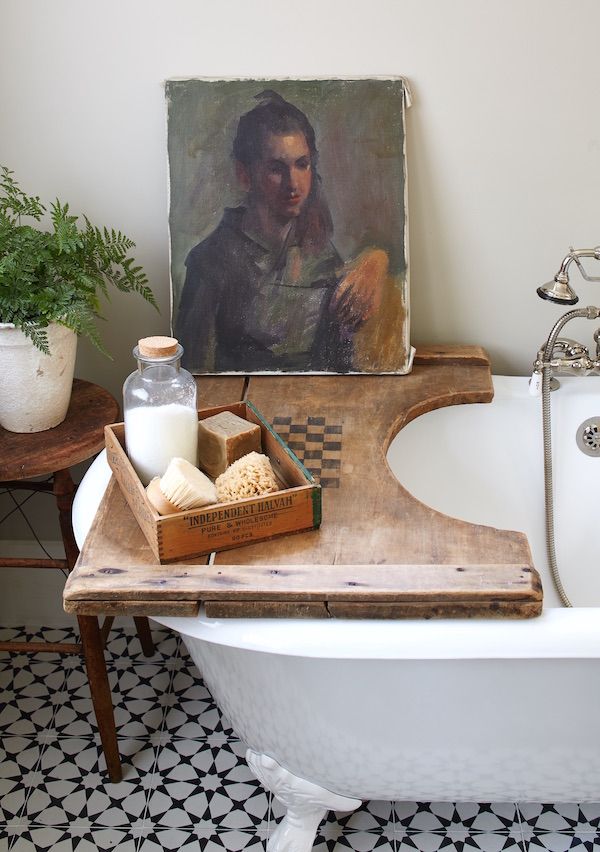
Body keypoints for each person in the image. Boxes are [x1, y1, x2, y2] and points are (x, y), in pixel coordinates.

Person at [175, 90, 387, 373]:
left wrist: (377, 260)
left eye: (302, 164)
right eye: (276, 168)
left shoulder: (320, 254)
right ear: (244, 175)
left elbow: (340, 365)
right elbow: (195, 376)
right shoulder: (210, 262)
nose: (293, 183)